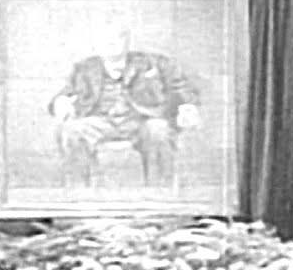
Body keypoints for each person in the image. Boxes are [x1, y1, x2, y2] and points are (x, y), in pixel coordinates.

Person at [49, 23, 201, 187]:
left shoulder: (155, 63)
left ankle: (160, 190)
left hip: (142, 120)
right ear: (96, 43)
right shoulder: (85, 68)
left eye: (118, 37)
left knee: (159, 129)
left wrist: (187, 106)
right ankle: (77, 191)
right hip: (101, 121)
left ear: (128, 42)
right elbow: (66, 92)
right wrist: (61, 101)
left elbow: (182, 87)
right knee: (72, 131)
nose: (111, 42)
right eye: (105, 39)